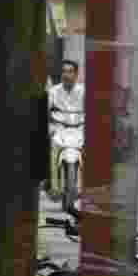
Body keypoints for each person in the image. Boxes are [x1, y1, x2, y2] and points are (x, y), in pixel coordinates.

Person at [47, 59, 84, 200]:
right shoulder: (53, 92)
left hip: (80, 129)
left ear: (76, 74)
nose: (66, 75)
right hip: (60, 129)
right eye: (64, 71)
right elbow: (46, 111)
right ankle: (54, 187)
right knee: (52, 149)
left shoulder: (83, 91)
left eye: (70, 71)